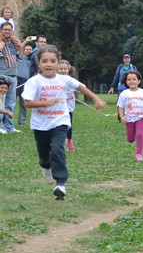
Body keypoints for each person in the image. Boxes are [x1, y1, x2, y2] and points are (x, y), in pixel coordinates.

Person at [22, 45, 108, 199]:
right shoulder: (34, 81)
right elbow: (27, 103)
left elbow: (81, 87)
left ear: (58, 63)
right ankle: (46, 166)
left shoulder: (64, 79)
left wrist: (97, 99)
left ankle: (60, 183)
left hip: (60, 120)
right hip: (40, 124)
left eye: (53, 61)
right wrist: (46, 103)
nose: (49, 64)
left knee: (57, 148)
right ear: (39, 63)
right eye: (45, 61)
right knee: (44, 157)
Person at [117, 70, 143, 161]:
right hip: (128, 119)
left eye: (134, 79)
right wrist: (122, 117)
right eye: (129, 79)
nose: (131, 81)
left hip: (140, 118)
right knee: (130, 139)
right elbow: (120, 107)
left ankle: (138, 154)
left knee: (140, 134)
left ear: (139, 81)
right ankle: (131, 139)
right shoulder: (124, 93)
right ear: (126, 81)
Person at [0, 21, 22, 133]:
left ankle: (9, 127)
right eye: (5, 29)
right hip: (1, 75)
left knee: (11, 102)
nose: (7, 31)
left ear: (12, 31)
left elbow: (18, 58)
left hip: (13, 75)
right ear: (1, 31)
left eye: (9, 29)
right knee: (0, 102)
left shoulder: (14, 43)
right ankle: (0, 126)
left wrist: (19, 46)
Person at [108, 54, 138, 122]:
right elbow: (116, 77)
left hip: (131, 89)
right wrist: (112, 86)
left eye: (128, 58)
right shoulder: (120, 67)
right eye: (125, 58)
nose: (126, 59)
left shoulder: (133, 67)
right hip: (121, 88)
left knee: (131, 103)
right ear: (123, 60)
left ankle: (131, 117)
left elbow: (137, 77)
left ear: (130, 59)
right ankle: (120, 118)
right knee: (120, 104)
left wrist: (137, 87)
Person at [57, 60, 77, 152]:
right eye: (60, 69)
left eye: (65, 69)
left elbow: (80, 87)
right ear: (57, 69)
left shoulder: (71, 80)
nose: (63, 70)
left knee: (69, 125)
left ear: (68, 70)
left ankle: (69, 140)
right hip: (57, 107)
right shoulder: (54, 79)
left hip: (69, 106)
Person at [16, 44, 32, 125]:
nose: (29, 51)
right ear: (24, 50)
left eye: (30, 49)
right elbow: (19, 48)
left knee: (23, 103)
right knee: (12, 102)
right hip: (18, 80)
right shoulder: (20, 57)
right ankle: (8, 120)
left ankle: (22, 121)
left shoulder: (32, 60)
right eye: (27, 49)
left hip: (26, 82)